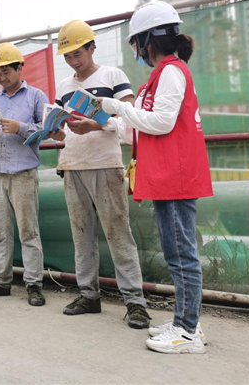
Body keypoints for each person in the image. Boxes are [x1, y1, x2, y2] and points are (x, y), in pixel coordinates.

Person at [99, 1, 213, 354]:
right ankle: (184, 320)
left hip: (175, 176)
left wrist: (119, 106)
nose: (137, 50)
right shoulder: (162, 74)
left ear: (149, 39)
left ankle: (188, 332)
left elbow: (161, 122)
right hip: (167, 176)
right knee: (177, 252)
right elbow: (142, 127)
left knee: (181, 255)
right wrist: (107, 122)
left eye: (136, 42)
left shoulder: (171, 72)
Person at [52, 20, 151, 329]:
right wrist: (54, 130)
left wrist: (96, 124)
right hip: (73, 164)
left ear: (92, 48)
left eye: (77, 53)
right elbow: (58, 125)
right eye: (68, 56)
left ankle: (135, 302)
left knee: (118, 233)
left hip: (106, 164)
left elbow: (130, 119)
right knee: (81, 235)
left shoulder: (113, 76)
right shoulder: (64, 87)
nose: (73, 61)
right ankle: (88, 295)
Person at [0, 43, 48, 307]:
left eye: (6, 71)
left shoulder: (36, 96)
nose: (2, 77)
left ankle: (34, 284)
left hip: (23, 171)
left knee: (29, 231)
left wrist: (21, 127)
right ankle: (1, 280)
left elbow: (46, 130)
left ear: (19, 68)